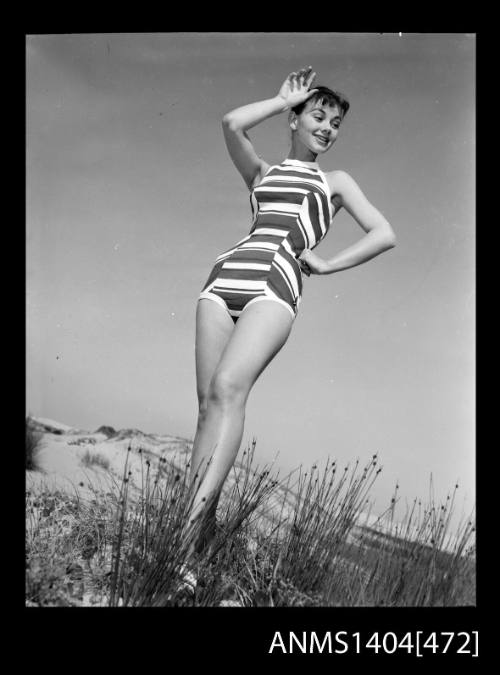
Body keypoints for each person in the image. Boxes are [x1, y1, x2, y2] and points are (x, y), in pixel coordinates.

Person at [185, 66, 396, 557]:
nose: (327, 128)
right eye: (318, 116)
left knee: (226, 391)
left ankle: (181, 545)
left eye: (335, 123)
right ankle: (200, 542)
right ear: (295, 121)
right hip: (223, 280)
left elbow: (384, 233)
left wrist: (327, 264)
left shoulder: (335, 181)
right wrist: (282, 99)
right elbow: (231, 124)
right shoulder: (261, 172)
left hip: (275, 284)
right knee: (205, 412)